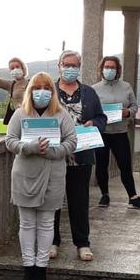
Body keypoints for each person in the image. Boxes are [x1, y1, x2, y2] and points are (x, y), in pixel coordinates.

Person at [5, 73, 78, 280]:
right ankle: (28, 267)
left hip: (53, 174)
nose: (42, 91)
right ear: (30, 90)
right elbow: (10, 141)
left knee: (46, 222)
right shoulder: (20, 114)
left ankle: (42, 267)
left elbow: (72, 141)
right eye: (37, 87)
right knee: (26, 223)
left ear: (52, 92)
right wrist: (30, 148)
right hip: (24, 174)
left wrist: (53, 151)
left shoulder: (61, 114)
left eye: (47, 87)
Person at [51, 50, 106, 261]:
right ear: (59, 65)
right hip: (54, 155)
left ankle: (82, 243)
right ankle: (52, 241)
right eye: (66, 64)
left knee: (79, 201)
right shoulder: (50, 91)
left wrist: (95, 123)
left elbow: (102, 117)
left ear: (79, 67)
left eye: (74, 65)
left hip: (81, 155)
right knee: (53, 201)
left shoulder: (89, 93)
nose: (70, 68)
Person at [91, 55, 140, 210]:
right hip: (102, 132)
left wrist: (127, 112)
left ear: (118, 70)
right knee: (101, 165)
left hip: (120, 132)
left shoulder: (126, 87)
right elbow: (91, 110)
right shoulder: (95, 89)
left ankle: (133, 197)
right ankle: (104, 195)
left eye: (113, 67)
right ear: (101, 69)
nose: (109, 70)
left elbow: (135, 106)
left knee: (125, 165)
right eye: (107, 67)